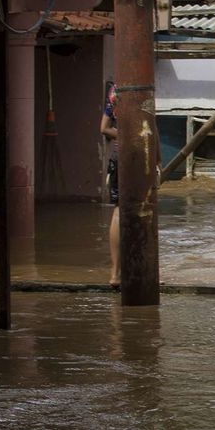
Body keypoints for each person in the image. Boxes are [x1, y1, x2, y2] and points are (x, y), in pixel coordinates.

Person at [99, 84, 120, 287]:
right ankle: (147, 270)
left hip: (117, 156)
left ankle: (114, 275)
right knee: (145, 211)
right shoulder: (144, 87)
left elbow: (103, 128)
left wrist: (121, 134)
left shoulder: (115, 91)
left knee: (118, 211)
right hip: (139, 153)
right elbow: (152, 129)